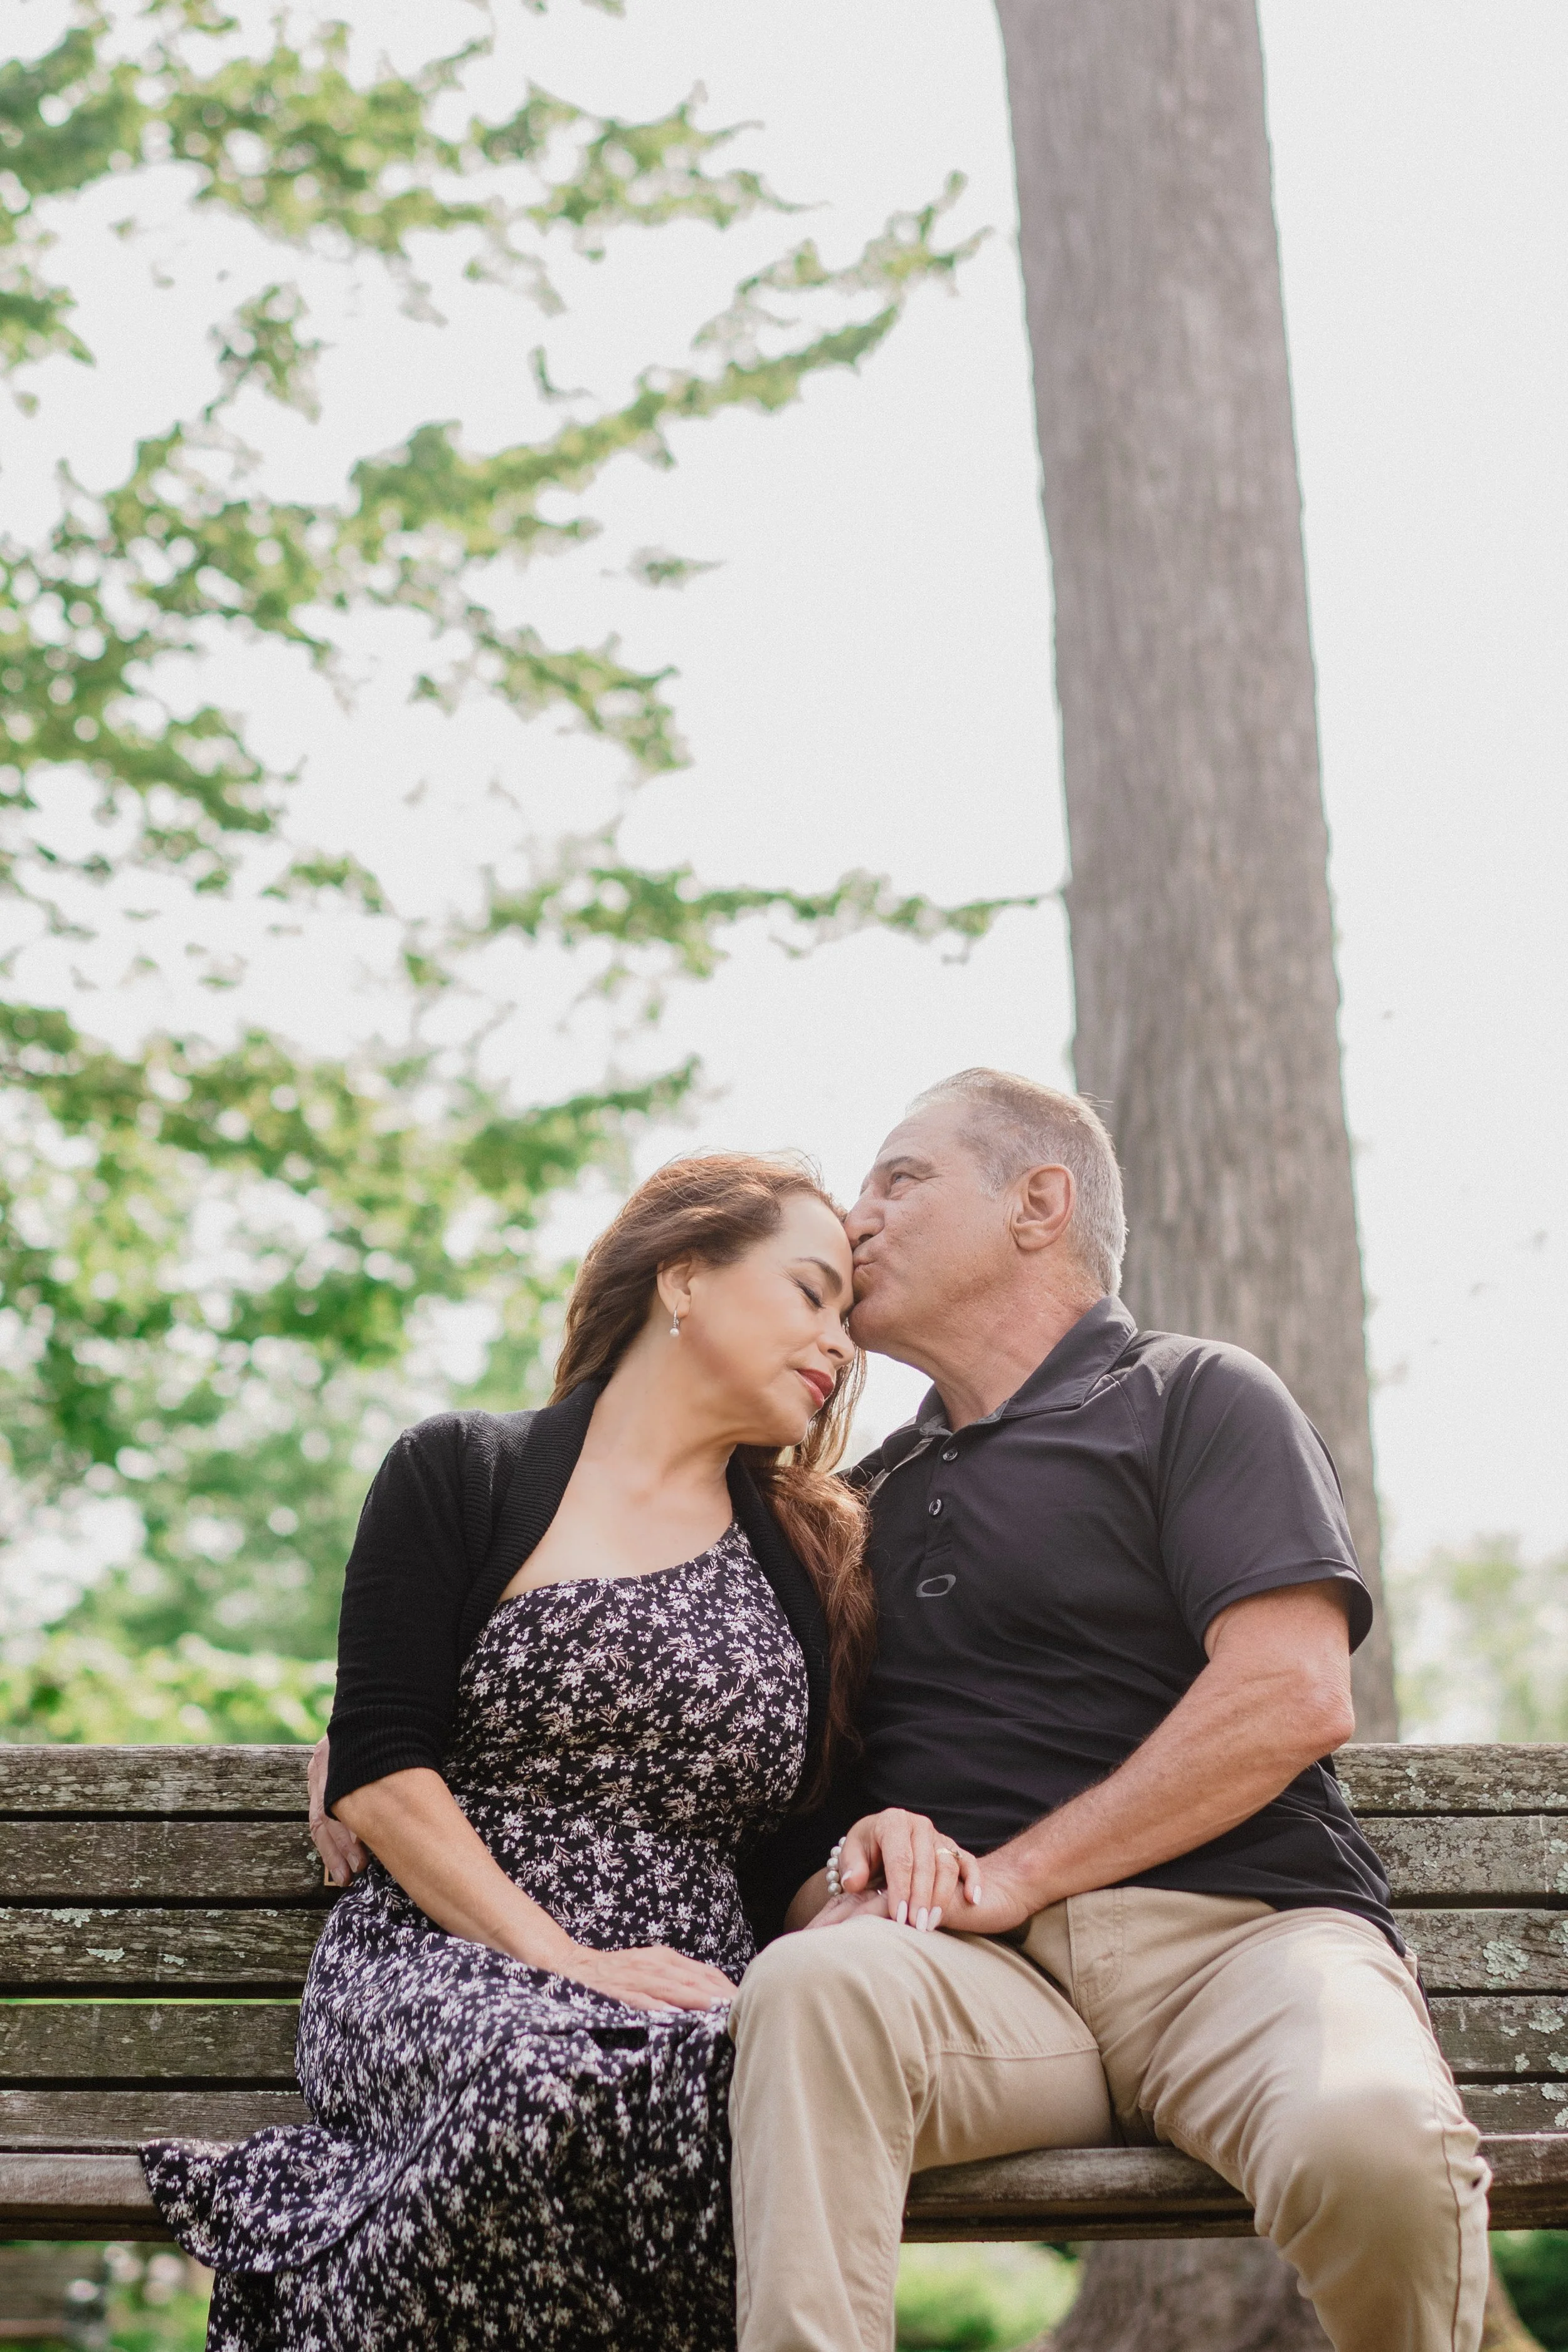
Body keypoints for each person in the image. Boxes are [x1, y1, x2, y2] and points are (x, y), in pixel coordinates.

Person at [140, 1153, 997, 2352]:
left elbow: (795, 1840)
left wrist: (865, 1867)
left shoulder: (813, 1561)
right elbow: (383, 1768)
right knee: (546, 2080)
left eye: (848, 1315)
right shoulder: (462, 1471)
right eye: (810, 1293)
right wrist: (566, 1959)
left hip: (690, 1979)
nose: (841, 1342)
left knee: (712, 2096)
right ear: (684, 1278)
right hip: (442, 1957)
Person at [727, 1069, 1489, 2352]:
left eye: (897, 1179)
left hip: (1245, 1949)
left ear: (1038, 1203)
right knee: (811, 1985)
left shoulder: (1192, 1395)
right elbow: (739, 1761)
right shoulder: (849, 1503)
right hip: (977, 1988)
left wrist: (1018, 1871)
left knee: (1372, 2143)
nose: (851, 1220)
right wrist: (391, 1717)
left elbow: (1289, 1692)